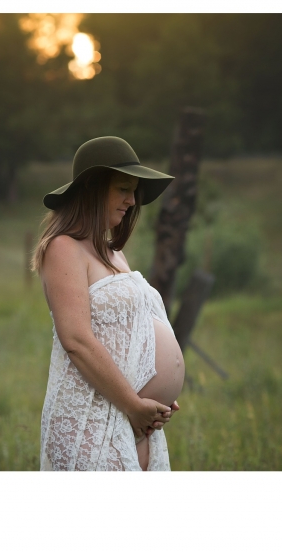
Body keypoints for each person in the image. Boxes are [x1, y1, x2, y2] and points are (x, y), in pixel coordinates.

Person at [32, 136, 186, 471]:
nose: (132, 201)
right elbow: (77, 340)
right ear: (92, 188)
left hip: (133, 417)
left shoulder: (113, 252)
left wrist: (154, 390)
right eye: (123, 189)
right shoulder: (63, 248)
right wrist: (134, 403)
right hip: (93, 417)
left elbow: (125, 332)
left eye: (134, 192)